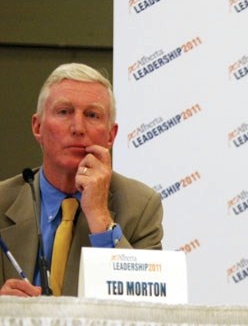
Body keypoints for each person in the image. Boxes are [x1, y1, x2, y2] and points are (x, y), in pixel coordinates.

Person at [0, 63, 164, 297]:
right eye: (64, 112)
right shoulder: (3, 201)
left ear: (111, 135)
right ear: (38, 127)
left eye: (92, 115)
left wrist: (99, 214)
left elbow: (145, 311)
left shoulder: (141, 207)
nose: (78, 127)